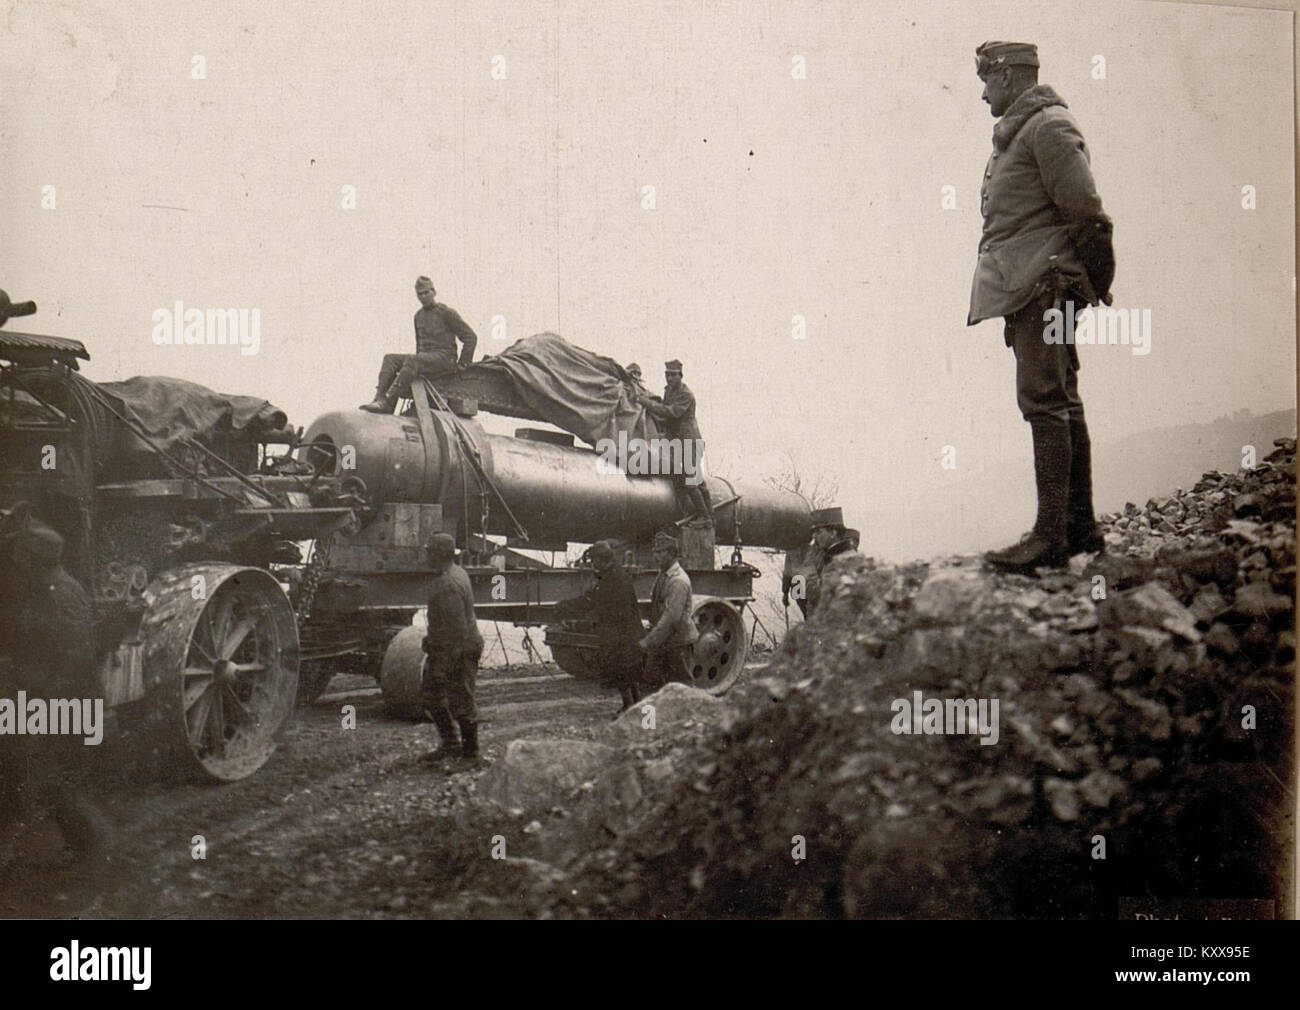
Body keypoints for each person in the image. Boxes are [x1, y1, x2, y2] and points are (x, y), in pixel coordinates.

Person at [968, 41, 1113, 573]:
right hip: (1031, 284)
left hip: (1045, 284)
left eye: (988, 80)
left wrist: (1094, 279)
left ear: (1008, 76)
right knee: (1058, 398)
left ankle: (1053, 535)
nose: (984, 93)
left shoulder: (1046, 127)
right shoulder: (1021, 133)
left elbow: (1087, 212)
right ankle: (1078, 529)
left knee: (1044, 400)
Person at [0, 522, 112, 861]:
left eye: (24, 559)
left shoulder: (61, 596)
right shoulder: (50, 588)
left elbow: (76, 658)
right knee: (44, 775)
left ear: (37, 561)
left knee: (50, 778)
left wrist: (34, 692)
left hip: (66, 702)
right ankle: (89, 841)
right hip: (51, 698)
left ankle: (92, 843)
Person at [361, 276, 479, 413]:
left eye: (426, 293)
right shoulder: (418, 316)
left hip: (445, 358)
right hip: (426, 359)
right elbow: (419, 346)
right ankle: (379, 399)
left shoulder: (446, 313)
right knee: (390, 359)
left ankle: (388, 401)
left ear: (433, 292)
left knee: (413, 359)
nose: (423, 297)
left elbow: (471, 337)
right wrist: (416, 367)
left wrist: (463, 364)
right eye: (420, 294)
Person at [557, 540, 646, 712]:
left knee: (623, 674)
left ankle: (629, 707)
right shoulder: (615, 574)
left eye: (594, 560)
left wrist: (564, 608)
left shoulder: (612, 579)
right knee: (628, 675)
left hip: (621, 636)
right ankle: (634, 707)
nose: (593, 564)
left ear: (601, 559)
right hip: (628, 633)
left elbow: (592, 601)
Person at [421, 532, 485, 761]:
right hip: (446, 646)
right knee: (431, 694)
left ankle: (471, 755)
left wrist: (448, 662)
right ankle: (450, 744)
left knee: (461, 701)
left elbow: (457, 632)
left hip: (458, 649)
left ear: (438, 554)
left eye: (429, 550)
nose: (426, 554)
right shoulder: (454, 573)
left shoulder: (448, 584)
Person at [636, 359, 714, 526]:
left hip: (688, 439)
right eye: (667, 375)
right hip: (676, 440)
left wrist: (646, 403)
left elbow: (670, 412)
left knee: (689, 478)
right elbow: (664, 406)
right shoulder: (669, 391)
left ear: (680, 375)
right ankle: (700, 515)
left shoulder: (686, 394)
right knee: (683, 478)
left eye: (673, 375)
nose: (669, 378)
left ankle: (705, 517)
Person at [638, 531, 698, 688]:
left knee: (681, 689)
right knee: (653, 684)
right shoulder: (663, 576)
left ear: (671, 553)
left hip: (678, 644)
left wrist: (649, 641)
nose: (656, 556)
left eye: (660, 552)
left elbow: (671, 618)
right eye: (654, 552)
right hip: (664, 641)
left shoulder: (678, 581)